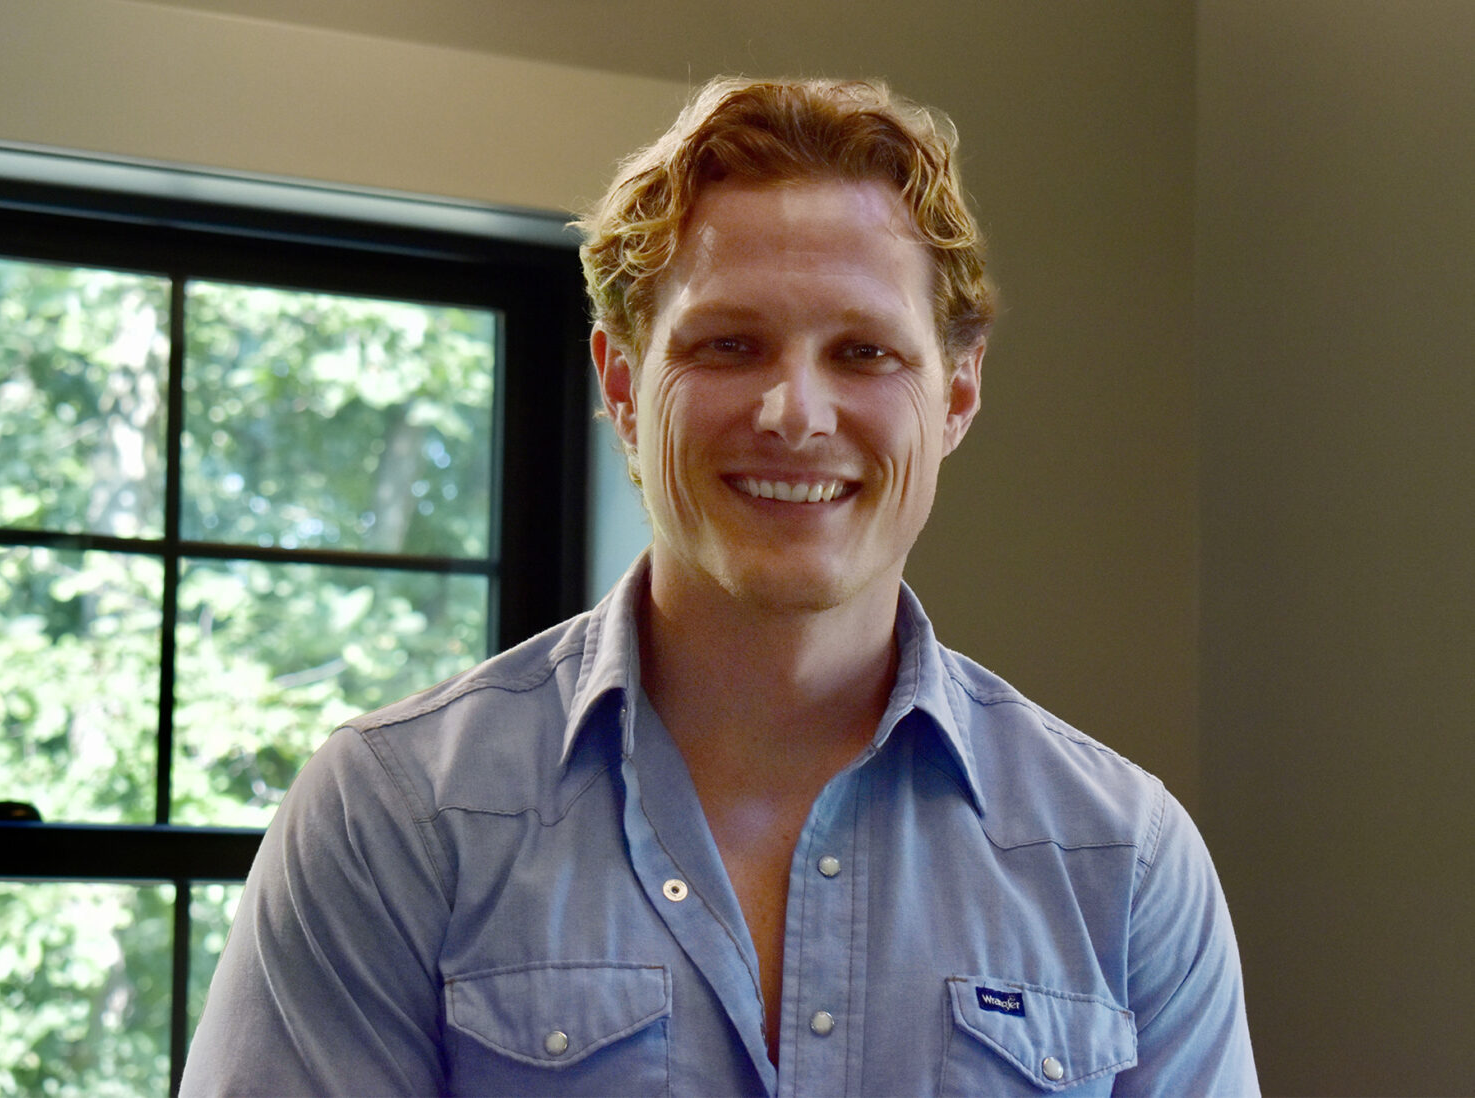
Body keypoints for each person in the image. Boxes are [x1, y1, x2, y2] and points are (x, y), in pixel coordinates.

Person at [181, 76, 1256, 1096]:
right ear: (621, 385)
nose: (795, 414)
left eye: (865, 353)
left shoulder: (1121, 861)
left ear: (957, 397)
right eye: (730, 344)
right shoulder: (395, 818)